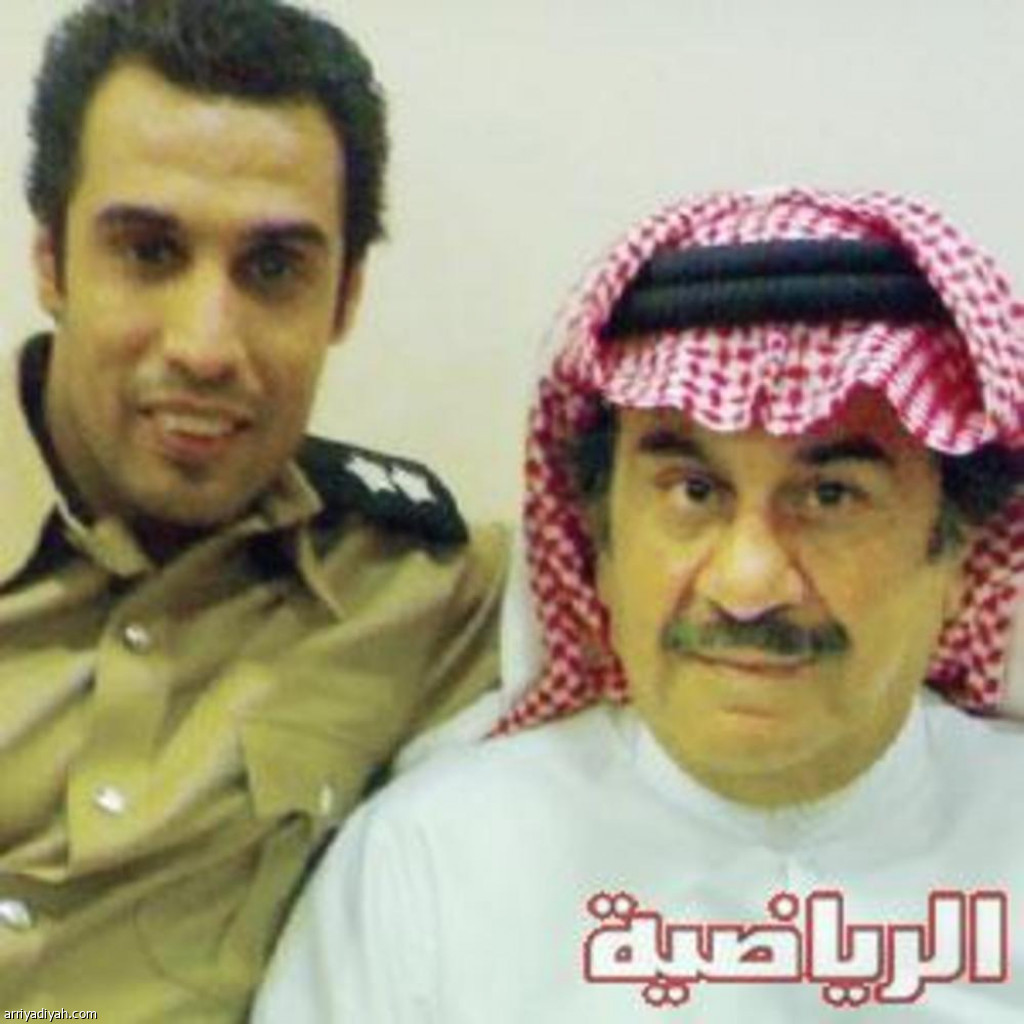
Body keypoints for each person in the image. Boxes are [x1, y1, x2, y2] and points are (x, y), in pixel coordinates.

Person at [254, 188, 1024, 1022]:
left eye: (830, 496)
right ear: (600, 545)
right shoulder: (432, 864)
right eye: (693, 491)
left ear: (960, 551)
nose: (747, 585)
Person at [0, 0, 505, 1018]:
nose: (205, 346)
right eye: (149, 253)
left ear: (345, 297)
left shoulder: (413, 588)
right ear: (51, 261)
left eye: (273, 270)